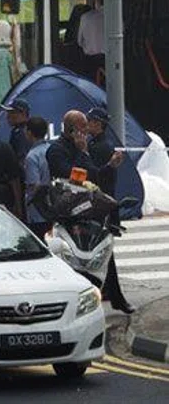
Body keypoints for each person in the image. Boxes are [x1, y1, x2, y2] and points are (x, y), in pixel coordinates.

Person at [45, 110, 132, 314]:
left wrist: (107, 165)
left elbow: (94, 176)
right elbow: (74, 176)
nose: (86, 131)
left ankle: (116, 297)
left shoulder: (84, 148)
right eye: (83, 127)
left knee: (103, 249)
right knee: (70, 253)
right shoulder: (57, 150)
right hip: (67, 211)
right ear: (73, 129)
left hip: (88, 209)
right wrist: (82, 153)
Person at [23, 117, 52, 239]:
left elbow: (34, 185)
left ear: (29, 133)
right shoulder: (52, 150)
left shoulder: (32, 156)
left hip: (38, 211)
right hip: (53, 206)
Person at [1, 98, 33, 167]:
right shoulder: (19, 131)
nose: (8, 116)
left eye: (12, 112)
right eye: (8, 112)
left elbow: (23, 160)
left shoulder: (22, 133)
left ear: (23, 114)